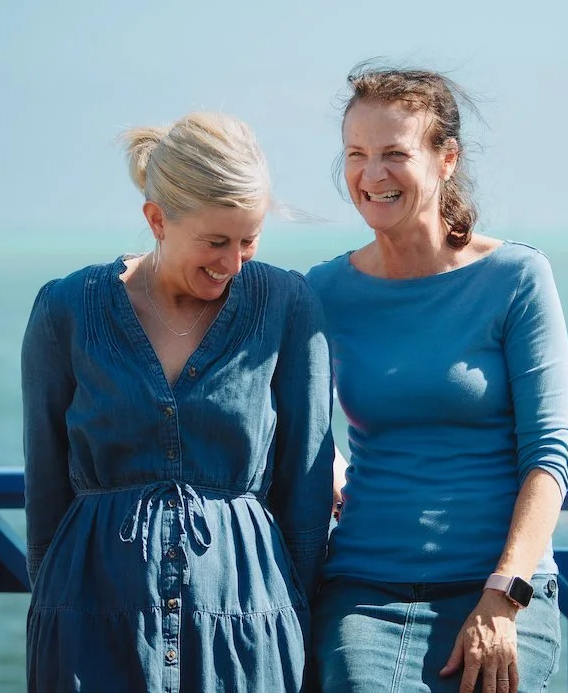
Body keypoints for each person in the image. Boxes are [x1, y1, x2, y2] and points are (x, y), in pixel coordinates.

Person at [21, 111, 334, 692]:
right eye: (215, 241)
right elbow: (45, 488)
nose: (232, 263)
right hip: (91, 618)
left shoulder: (287, 305)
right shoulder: (65, 309)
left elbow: (305, 490)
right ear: (157, 219)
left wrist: (298, 618)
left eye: (249, 240)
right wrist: (54, 612)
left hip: (246, 621)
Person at [306, 65, 568, 693]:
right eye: (357, 154)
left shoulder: (516, 278)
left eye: (395, 153)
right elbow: (286, 422)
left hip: (500, 589)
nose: (372, 175)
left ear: (446, 158)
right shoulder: (323, 290)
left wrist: (504, 595)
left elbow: (549, 458)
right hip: (365, 588)